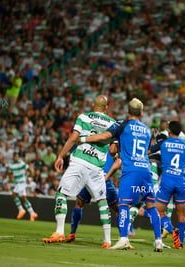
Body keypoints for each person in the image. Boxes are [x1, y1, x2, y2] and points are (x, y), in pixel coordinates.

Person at [80, 98, 163, 251]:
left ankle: (124, 238)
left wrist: (84, 138)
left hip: (131, 171)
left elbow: (106, 139)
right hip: (146, 170)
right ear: (142, 112)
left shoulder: (122, 125)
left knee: (123, 205)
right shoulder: (146, 129)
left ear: (127, 111)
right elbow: (145, 150)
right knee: (151, 206)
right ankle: (158, 240)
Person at [42, 95, 115, 249]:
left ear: (93, 104)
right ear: (107, 107)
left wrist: (61, 155)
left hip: (79, 162)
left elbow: (74, 138)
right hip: (97, 167)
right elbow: (114, 149)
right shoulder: (113, 123)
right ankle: (107, 240)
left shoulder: (84, 117)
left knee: (62, 193)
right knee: (102, 201)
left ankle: (59, 232)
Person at [151, 121, 185, 249]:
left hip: (167, 181)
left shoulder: (164, 142)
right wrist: (180, 168)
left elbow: (149, 151)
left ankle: (171, 230)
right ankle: (179, 243)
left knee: (158, 211)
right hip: (181, 182)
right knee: (181, 214)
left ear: (169, 130)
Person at [65, 151, 120, 243]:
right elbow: (118, 161)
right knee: (118, 209)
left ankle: (72, 233)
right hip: (103, 179)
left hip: (89, 177)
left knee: (79, 204)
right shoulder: (112, 147)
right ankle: (122, 237)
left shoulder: (91, 143)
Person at [8, 152, 38, 221]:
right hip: (17, 182)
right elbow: (11, 173)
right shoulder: (11, 165)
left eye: (17, 157)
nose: (16, 158)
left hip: (22, 182)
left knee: (13, 195)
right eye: (15, 157)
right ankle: (32, 213)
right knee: (23, 198)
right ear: (13, 157)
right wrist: (10, 177)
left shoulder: (21, 163)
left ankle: (21, 210)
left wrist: (30, 176)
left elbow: (29, 169)